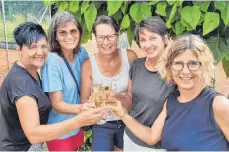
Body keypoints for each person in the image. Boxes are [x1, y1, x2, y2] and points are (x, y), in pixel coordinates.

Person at [109, 34, 229, 151]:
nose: (185, 71)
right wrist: (122, 114)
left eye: (193, 63)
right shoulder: (171, 102)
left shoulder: (217, 104)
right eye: (178, 64)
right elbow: (151, 137)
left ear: (204, 66)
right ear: (169, 67)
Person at [0, 22, 104, 151]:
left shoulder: (30, 72)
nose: (40, 52)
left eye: (44, 46)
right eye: (33, 47)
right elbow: (34, 134)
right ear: (19, 50)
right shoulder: (22, 85)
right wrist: (79, 121)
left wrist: (82, 107)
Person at [112, 16, 175, 151]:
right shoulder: (137, 65)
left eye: (153, 38)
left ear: (165, 39)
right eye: (143, 40)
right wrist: (117, 97)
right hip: (129, 136)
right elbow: (130, 99)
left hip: (157, 147)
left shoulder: (174, 73)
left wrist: (122, 114)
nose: (147, 44)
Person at [80, 15, 137, 151]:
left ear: (117, 35)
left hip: (127, 120)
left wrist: (114, 97)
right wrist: (93, 104)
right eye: (101, 37)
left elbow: (132, 98)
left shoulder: (130, 57)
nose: (106, 42)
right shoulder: (88, 65)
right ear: (95, 37)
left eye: (110, 36)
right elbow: (84, 100)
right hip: (102, 123)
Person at [40, 11, 91, 151]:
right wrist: (84, 109)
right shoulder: (52, 61)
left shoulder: (82, 53)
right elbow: (57, 104)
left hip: (77, 125)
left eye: (73, 31)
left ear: (80, 33)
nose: (69, 36)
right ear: (55, 36)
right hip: (59, 130)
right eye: (63, 32)